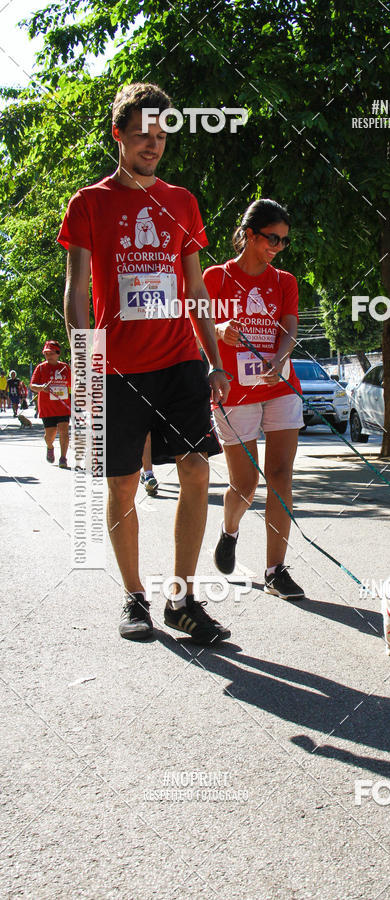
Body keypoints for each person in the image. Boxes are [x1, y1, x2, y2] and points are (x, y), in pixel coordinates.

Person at [58, 81, 231, 642]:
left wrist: (214, 359)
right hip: (118, 368)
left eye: (160, 135)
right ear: (118, 135)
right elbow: (76, 292)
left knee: (198, 468)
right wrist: (84, 363)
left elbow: (197, 288)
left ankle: (182, 597)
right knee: (123, 482)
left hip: (181, 358)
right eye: (141, 135)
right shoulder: (89, 202)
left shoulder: (182, 202)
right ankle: (134, 598)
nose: (152, 145)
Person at [204, 199, 305, 600]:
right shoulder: (215, 278)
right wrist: (219, 327)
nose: (278, 247)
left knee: (280, 476)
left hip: (280, 387)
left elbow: (291, 326)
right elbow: (194, 324)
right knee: (245, 486)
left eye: (284, 241)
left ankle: (275, 569)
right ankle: (230, 530)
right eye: (272, 239)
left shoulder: (284, 282)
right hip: (234, 391)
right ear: (249, 234)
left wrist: (281, 359)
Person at [30, 341, 72, 465]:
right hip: (47, 407)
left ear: (58, 353)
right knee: (50, 435)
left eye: (51, 353)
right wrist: (42, 387)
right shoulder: (41, 368)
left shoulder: (65, 367)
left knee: (64, 431)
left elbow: (73, 383)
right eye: (46, 353)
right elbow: (32, 386)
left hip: (63, 406)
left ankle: (63, 458)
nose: (48, 356)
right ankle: (50, 447)